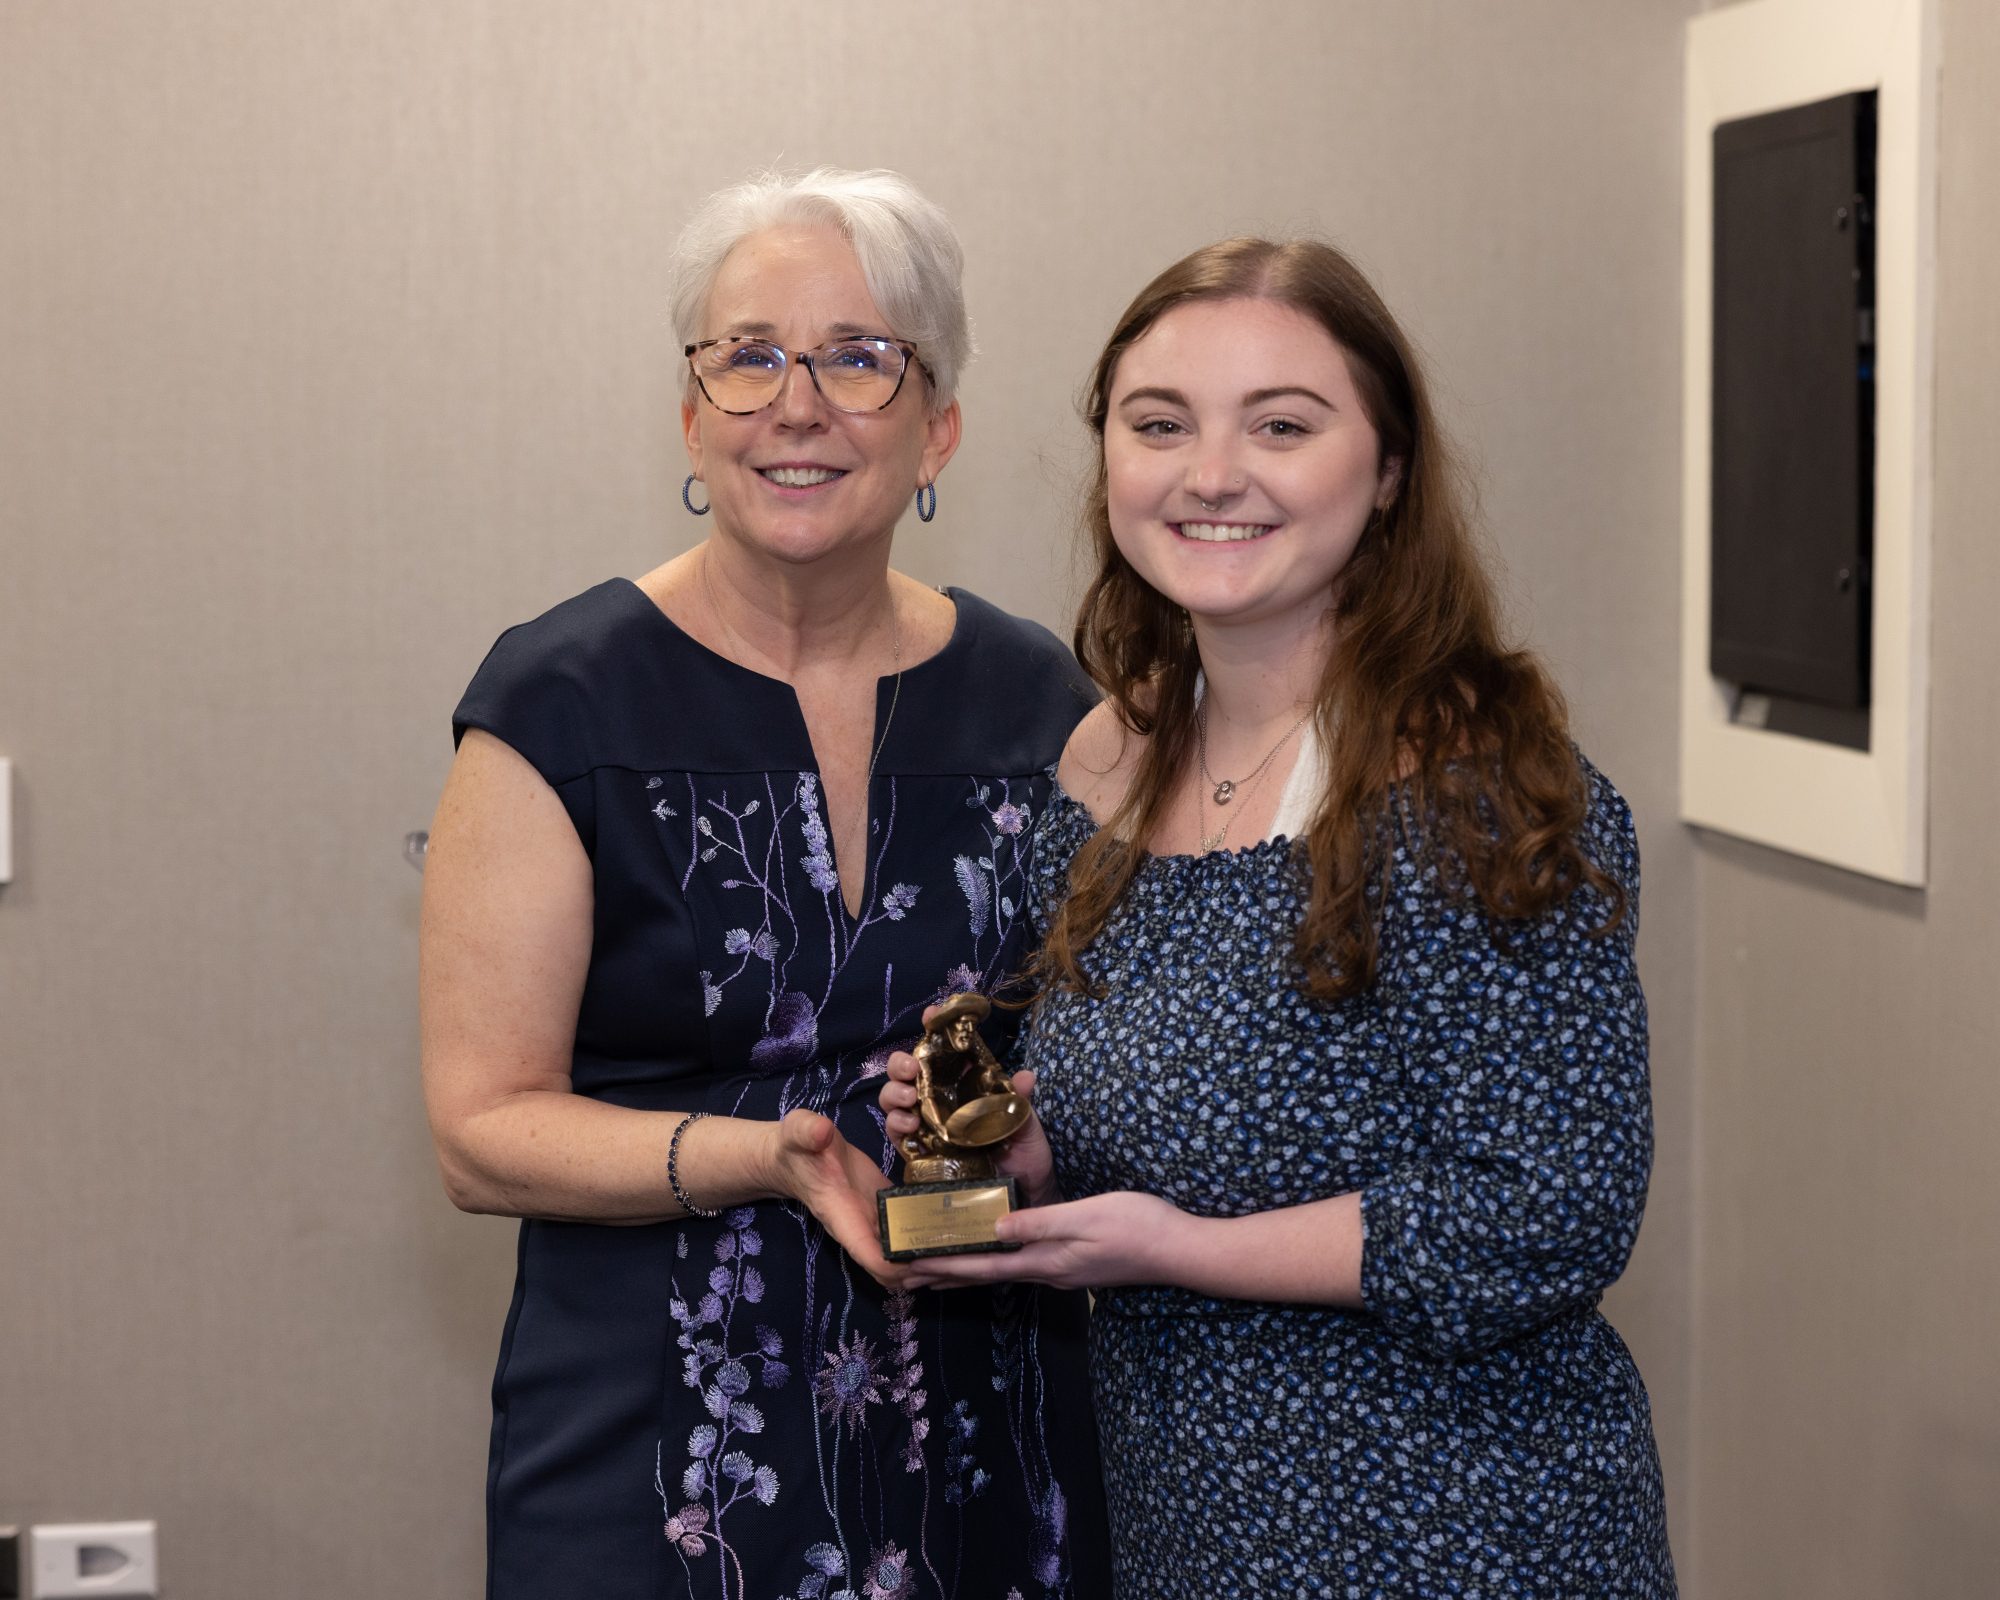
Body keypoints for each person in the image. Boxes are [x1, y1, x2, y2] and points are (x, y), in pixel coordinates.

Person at [882, 237, 1676, 1595]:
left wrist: (1175, 1250)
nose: (1211, 474)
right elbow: (1198, 1126)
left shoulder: (1475, 797)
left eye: (1284, 426)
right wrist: (1022, 1162)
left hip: (1458, 1529)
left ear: (1387, 475)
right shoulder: (1104, 770)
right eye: (1160, 424)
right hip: (1198, 1523)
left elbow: (1549, 1212)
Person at [420, 167, 1109, 1599]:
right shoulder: (561, 703)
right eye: (749, 357)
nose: (798, 405)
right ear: (693, 415)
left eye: (861, 358)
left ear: (940, 429)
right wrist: (769, 1156)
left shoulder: (1048, 705)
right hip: (662, 1460)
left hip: (992, 1438)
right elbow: (481, 1131)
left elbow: (1118, 1058)